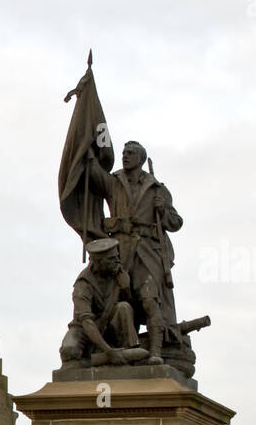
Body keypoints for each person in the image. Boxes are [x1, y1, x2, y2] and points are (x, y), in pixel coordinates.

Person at [84, 140, 179, 363]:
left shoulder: (157, 188)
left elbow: (175, 222)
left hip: (147, 253)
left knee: (149, 298)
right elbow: (93, 174)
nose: (124, 156)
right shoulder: (113, 182)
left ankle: (156, 352)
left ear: (141, 158)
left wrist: (162, 209)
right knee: (120, 300)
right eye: (124, 152)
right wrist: (86, 148)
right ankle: (126, 348)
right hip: (119, 253)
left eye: (130, 153)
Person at [59, 238, 147, 369]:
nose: (117, 261)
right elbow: (87, 322)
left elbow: (136, 312)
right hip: (85, 329)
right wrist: (108, 351)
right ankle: (97, 359)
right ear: (99, 262)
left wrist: (126, 288)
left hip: (107, 324)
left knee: (124, 307)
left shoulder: (117, 273)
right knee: (69, 351)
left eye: (117, 257)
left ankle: (128, 354)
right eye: (112, 259)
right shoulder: (83, 284)